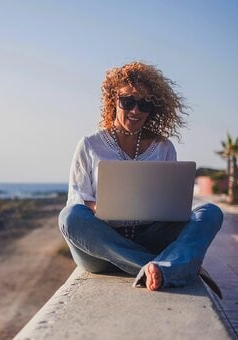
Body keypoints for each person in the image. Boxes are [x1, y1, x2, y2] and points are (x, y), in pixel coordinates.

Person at [59, 61, 223, 293]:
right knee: (70, 217)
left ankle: (160, 267)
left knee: (210, 212)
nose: (136, 110)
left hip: (151, 236)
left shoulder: (163, 147)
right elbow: (77, 198)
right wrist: (103, 207)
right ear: (113, 100)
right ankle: (169, 266)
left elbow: (172, 202)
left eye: (145, 104)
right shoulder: (90, 145)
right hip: (103, 247)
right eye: (128, 102)